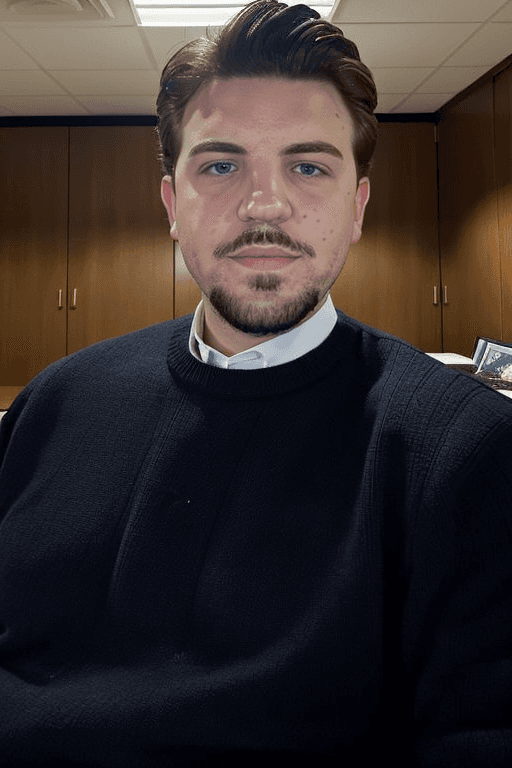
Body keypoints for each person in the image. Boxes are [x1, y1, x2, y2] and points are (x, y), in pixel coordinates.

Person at [0, 1, 511, 765]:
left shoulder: (461, 452)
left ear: (357, 207)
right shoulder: (54, 403)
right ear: (173, 204)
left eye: (308, 166)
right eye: (220, 164)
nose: (264, 205)